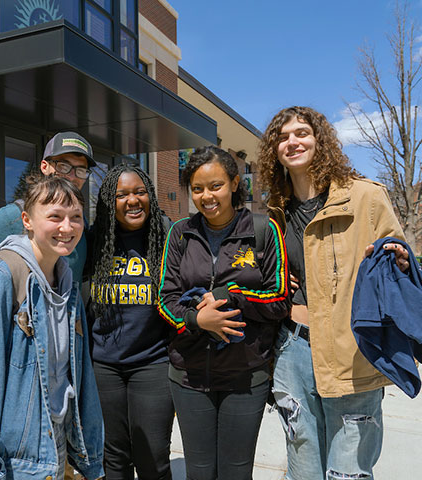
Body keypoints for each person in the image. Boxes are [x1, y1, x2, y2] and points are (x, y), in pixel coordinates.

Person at [258, 106, 408, 480]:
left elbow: (397, 260)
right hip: (292, 351)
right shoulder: (275, 211)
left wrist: (400, 259)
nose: (292, 141)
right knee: (303, 468)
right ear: (274, 150)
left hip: (352, 351)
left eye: (302, 132)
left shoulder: (365, 197)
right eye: (283, 136)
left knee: (348, 472)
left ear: (320, 139)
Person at [0, 175, 105, 479]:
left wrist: (88, 456)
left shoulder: (67, 285)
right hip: (5, 460)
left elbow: (78, 379)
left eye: (76, 218)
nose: (67, 228)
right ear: (27, 220)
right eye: (55, 217)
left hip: (51, 448)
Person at [157, 146, 290, 480]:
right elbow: (164, 298)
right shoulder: (179, 233)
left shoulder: (264, 229)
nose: (206, 196)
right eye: (198, 188)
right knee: (199, 472)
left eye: (215, 185)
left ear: (233, 183)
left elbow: (280, 297)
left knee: (236, 471)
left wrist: (230, 297)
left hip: (246, 376)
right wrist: (197, 320)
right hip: (189, 374)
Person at [89, 164, 174, 480]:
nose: (132, 201)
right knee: (114, 457)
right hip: (103, 366)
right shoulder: (92, 241)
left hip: (152, 362)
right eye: (121, 194)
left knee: (153, 456)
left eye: (139, 192)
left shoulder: (168, 237)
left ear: (150, 196)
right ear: (109, 201)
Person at [0, 131, 95, 286]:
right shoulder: (11, 216)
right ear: (45, 166)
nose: (72, 176)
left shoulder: (79, 225)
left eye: (81, 170)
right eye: (63, 166)